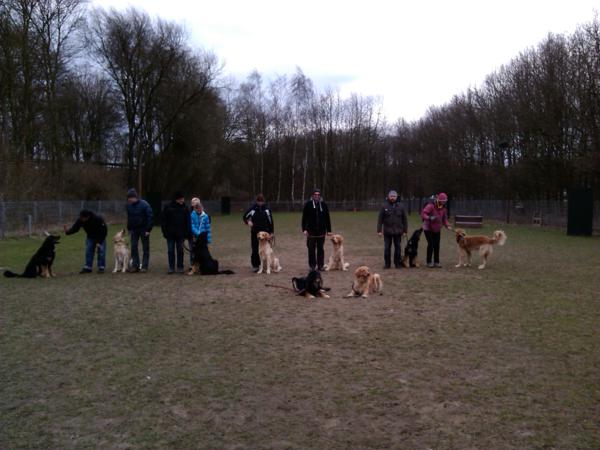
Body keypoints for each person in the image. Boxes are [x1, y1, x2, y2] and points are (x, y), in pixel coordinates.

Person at [63, 209, 108, 274]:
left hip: (100, 236)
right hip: (90, 237)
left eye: (83, 218)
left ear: (87, 217)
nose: (81, 219)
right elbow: (75, 228)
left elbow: (104, 230)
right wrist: (67, 232)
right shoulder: (80, 220)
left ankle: (101, 267)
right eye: (81, 217)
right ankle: (88, 267)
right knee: (88, 251)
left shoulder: (97, 219)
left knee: (101, 252)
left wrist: (99, 241)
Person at [301, 188, 332, 271]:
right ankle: (312, 266)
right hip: (311, 232)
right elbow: (304, 218)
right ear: (312, 195)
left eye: (318, 195)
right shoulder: (308, 205)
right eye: (315, 194)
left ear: (320, 196)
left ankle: (320, 265)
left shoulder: (323, 205)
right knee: (311, 249)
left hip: (321, 231)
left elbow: (327, 218)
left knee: (320, 249)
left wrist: (329, 230)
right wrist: (304, 229)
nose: (317, 196)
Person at [243, 193, 274, 273]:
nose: (260, 203)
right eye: (259, 201)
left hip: (266, 234)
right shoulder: (252, 209)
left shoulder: (267, 210)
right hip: (255, 233)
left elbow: (271, 221)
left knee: (267, 250)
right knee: (255, 249)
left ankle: (268, 265)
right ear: (256, 201)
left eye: (261, 201)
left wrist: (271, 232)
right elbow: (245, 217)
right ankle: (256, 265)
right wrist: (248, 222)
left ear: (264, 201)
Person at [161, 191, 190, 274]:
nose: (182, 200)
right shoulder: (167, 207)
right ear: (176, 199)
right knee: (170, 251)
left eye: (183, 199)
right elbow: (163, 220)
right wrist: (165, 232)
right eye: (180, 199)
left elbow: (188, 221)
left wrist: (187, 233)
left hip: (181, 234)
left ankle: (180, 267)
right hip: (170, 234)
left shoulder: (185, 208)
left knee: (180, 250)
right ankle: (171, 267)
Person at [377, 190, 408, 268]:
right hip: (387, 232)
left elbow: (405, 219)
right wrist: (379, 231)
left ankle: (397, 263)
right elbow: (380, 220)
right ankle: (387, 264)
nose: (392, 198)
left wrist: (405, 231)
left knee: (398, 248)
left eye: (394, 196)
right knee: (387, 248)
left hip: (398, 232)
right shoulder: (384, 206)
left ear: (396, 197)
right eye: (391, 196)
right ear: (388, 196)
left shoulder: (401, 206)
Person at [421, 192, 452, 268]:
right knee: (431, 244)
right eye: (443, 201)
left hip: (437, 228)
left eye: (445, 201)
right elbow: (423, 213)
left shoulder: (444, 208)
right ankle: (429, 262)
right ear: (439, 200)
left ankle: (436, 262)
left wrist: (447, 225)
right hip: (428, 228)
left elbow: (444, 219)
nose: (444, 202)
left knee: (437, 245)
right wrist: (429, 218)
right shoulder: (431, 206)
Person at [126, 188, 153, 272]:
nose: (128, 200)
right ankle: (135, 265)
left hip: (144, 229)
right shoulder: (129, 206)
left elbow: (150, 217)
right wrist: (129, 228)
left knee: (145, 248)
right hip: (134, 230)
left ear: (134, 197)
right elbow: (129, 218)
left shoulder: (145, 204)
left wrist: (148, 229)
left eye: (129, 198)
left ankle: (144, 266)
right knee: (133, 247)